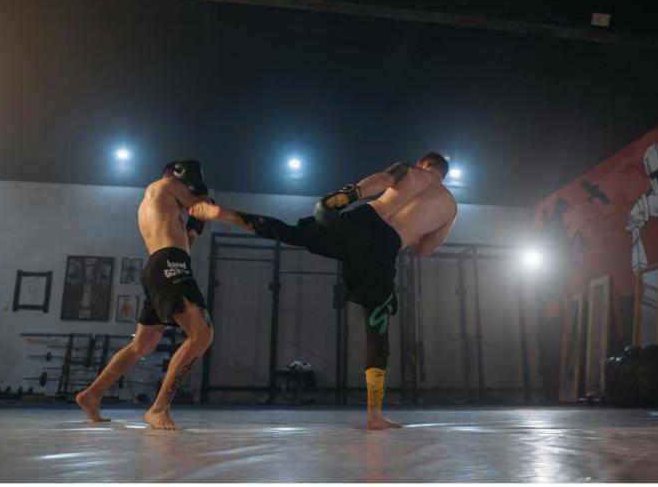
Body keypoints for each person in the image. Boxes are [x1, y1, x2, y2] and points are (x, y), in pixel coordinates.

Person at [189, 151, 457, 429]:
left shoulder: (410, 171)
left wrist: (349, 194)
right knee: (377, 332)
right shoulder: (450, 208)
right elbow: (424, 251)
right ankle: (374, 415)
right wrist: (416, 230)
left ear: (425, 164)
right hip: (384, 247)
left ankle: (226, 215)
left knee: (292, 233)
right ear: (443, 173)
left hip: (362, 220)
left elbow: (382, 179)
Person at [76, 160, 214, 431]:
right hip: (171, 264)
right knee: (202, 335)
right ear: (176, 177)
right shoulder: (165, 185)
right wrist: (204, 202)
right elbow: (202, 207)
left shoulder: (158, 202)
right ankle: (159, 408)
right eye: (186, 183)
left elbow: (188, 239)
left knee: (142, 344)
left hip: (160, 266)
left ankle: (91, 394)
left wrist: (195, 226)